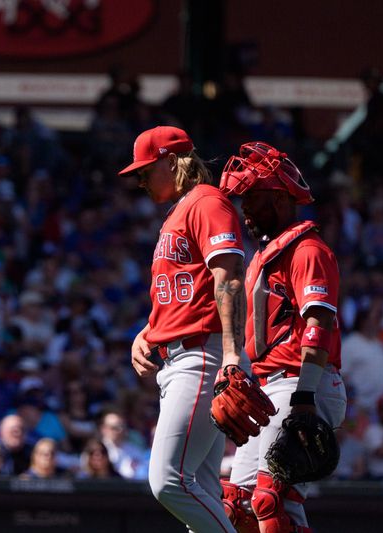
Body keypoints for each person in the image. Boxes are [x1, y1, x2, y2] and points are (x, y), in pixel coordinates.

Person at [122, 125, 246, 532]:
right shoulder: (180, 210)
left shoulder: (208, 202)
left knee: (169, 482)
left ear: (172, 162)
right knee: (202, 491)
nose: (140, 180)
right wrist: (150, 328)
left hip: (203, 355)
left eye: (145, 170)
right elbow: (184, 291)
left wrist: (230, 354)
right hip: (183, 353)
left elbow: (227, 279)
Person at [218, 142, 347, 532]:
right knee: (235, 506)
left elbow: (319, 323)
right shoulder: (263, 253)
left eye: (250, 197)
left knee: (269, 501)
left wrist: (305, 396)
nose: (243, 208)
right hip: (269, 386)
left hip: (303, 384)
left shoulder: (307, 249)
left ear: (276, 197)